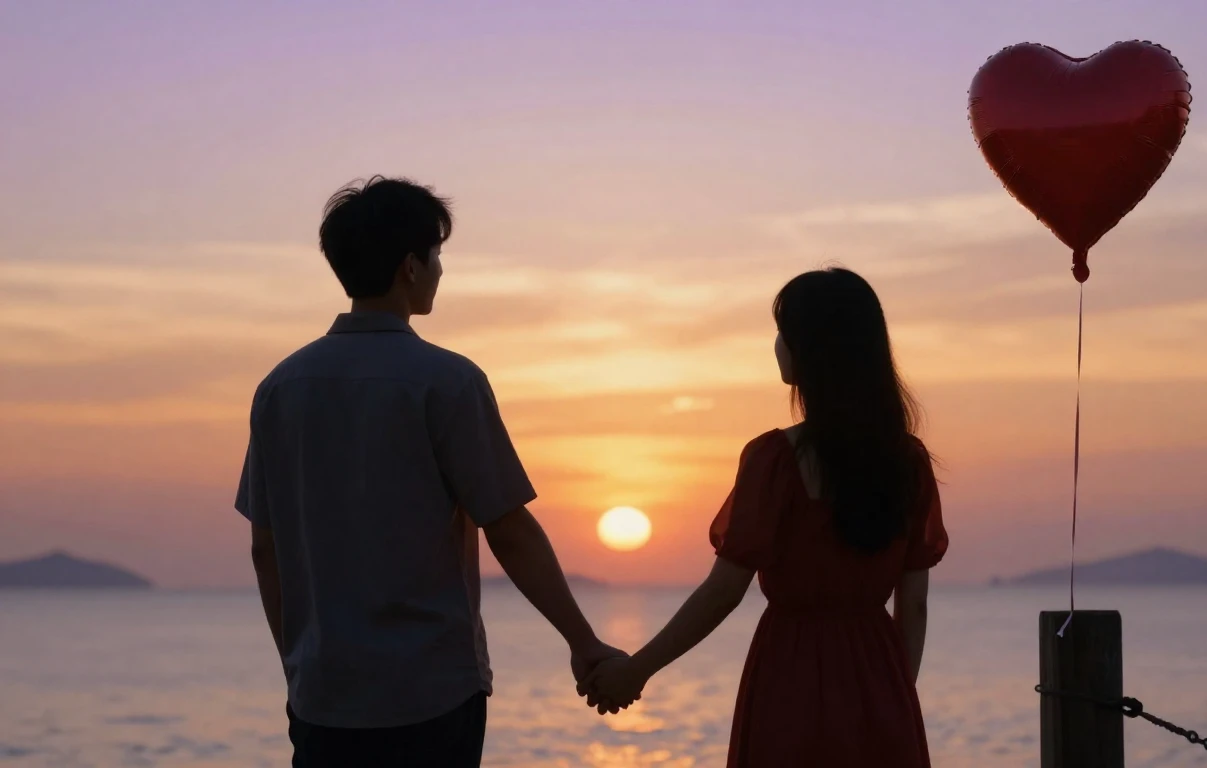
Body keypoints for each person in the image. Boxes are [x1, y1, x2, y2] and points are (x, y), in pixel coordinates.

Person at [234, 177, 625, 767]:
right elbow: (510, 530)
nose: (442, 269)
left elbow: (266, 548)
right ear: (410, 267)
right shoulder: (446, 381)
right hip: (430, 693)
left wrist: (297, 662)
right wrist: (583, 641)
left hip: (321, 697)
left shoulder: (280, 388)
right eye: (437, 255)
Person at [578, 267, 949, 767]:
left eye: (783, 331)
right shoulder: (908, 462)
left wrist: (637, 670)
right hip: (880, 679)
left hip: (789, 677)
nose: (775, 344)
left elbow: (723, 591)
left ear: (810, 349)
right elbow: (915, 605)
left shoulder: (775, 460)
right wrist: (895, 697)